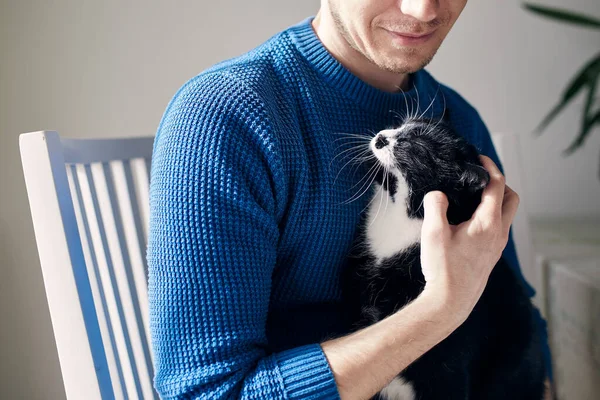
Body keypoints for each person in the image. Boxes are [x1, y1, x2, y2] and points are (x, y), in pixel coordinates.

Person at [147, 1, 553, 398]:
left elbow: (515, 323)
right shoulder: (226, 116)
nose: (423, 10)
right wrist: (440, 310)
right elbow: (207, 392)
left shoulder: (458, 121)